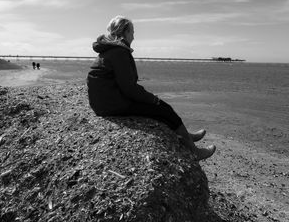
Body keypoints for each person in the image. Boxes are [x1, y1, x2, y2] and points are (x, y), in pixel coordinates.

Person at [86, 16, 216, 160]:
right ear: (125, 32)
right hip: (112, 104)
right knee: (164, 108)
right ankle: (194, 152)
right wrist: (152, 99)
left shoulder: (110, 50)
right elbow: (129, 88)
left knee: (159, 109)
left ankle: (188, 137)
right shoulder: (119, 52)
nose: (134, 36)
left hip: (104, 102)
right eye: (132, 32)